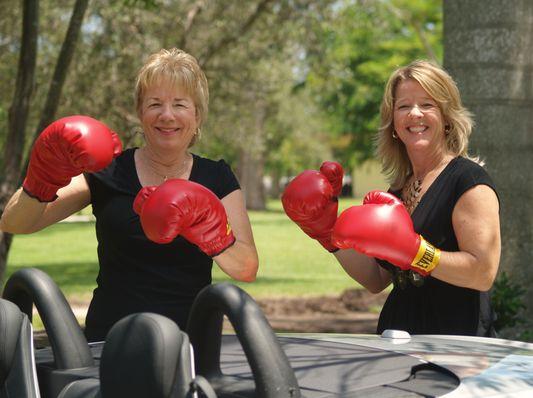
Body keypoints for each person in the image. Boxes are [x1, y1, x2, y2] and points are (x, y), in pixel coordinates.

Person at [0, 48, 258, 341]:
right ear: (140, 112)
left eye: (180, 104)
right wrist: (42, 179)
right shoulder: (109, 171)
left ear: (197, 115)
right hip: (107, 345)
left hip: (190, 347)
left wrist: (211, 234)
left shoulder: (216, 177)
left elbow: (246, 267)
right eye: (155, 103)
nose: (167, 115)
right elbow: (14, 223)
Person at [282, 60, 500, 336]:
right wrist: (326, 232)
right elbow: (376, 279)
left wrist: (416, 252)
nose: (415, 114)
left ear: (446, 117)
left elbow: (483, 273)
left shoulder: (467, 180)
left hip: (456, 344)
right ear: (394, 123)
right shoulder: (396, 192)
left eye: (427, 104)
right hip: (398, 335)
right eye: (404, 106)